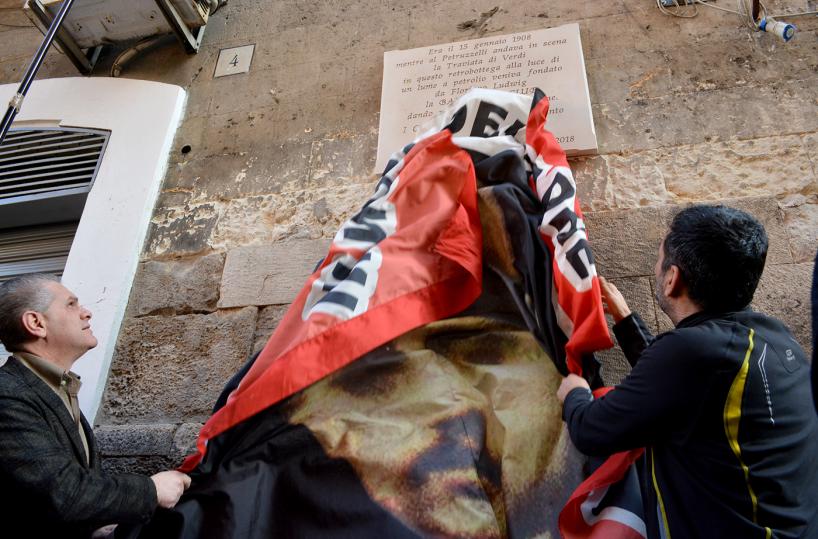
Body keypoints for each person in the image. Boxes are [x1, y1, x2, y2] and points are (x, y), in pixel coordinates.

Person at [557, 205, 818, 539]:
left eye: (658, 257)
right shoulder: (774, 337)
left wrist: (574, 393)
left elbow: (592, 430)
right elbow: (680, 388)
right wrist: (624, 320)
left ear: (672, 278)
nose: (655, 267)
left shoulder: (693, 353)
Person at [0, 273, 191, 538]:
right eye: (71, 304)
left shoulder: (58, 388)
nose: (86, 313)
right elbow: (63, 493)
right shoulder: (7, 394)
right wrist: (151, 490)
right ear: (36, 323)